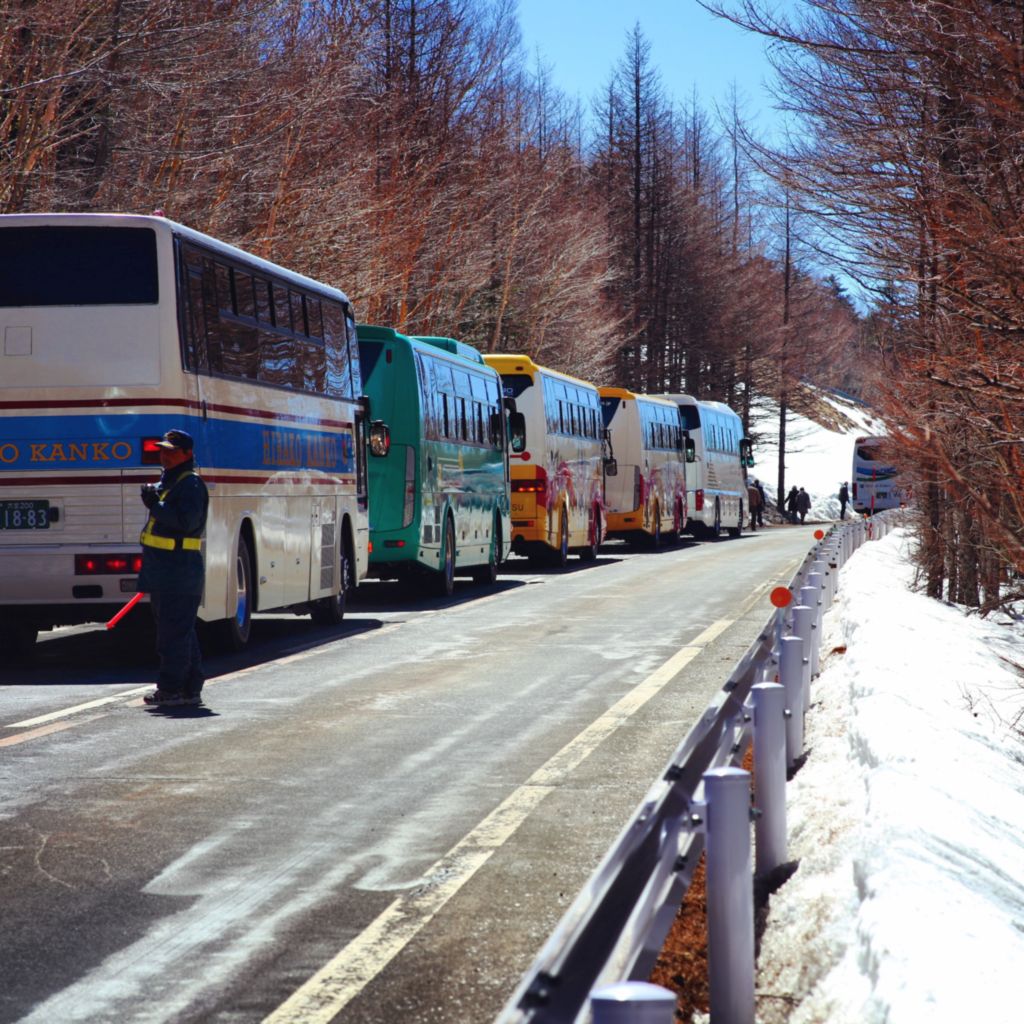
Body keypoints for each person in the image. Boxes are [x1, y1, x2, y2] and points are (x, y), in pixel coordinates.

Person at [138, 429, 209, 708]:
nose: (164, 455)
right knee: (180, 632)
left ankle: (172, 689)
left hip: (179, 571)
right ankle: (189, 688)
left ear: (187, 454)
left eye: (171, 450)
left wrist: (156, 505)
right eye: (162, 450)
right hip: (167, 571)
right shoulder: (172, 481)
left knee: (173, 635)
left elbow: (186, 522)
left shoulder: (189, 484)